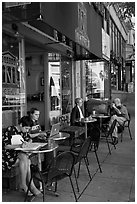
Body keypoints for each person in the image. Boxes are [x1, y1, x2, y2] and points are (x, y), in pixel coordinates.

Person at [2, 125, 42, 196]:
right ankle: (28, 185)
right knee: (26, 161)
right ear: (20, 125)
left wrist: (28, 142)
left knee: (25, 159)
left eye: (28, 129)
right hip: (7, 155)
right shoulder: (10, 130)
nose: (26, 130)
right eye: (26, 128)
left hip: (17, 154)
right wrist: (19, 146)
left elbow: (28, 138)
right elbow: (6, 146)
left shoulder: (23, 131)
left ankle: (27, 184)